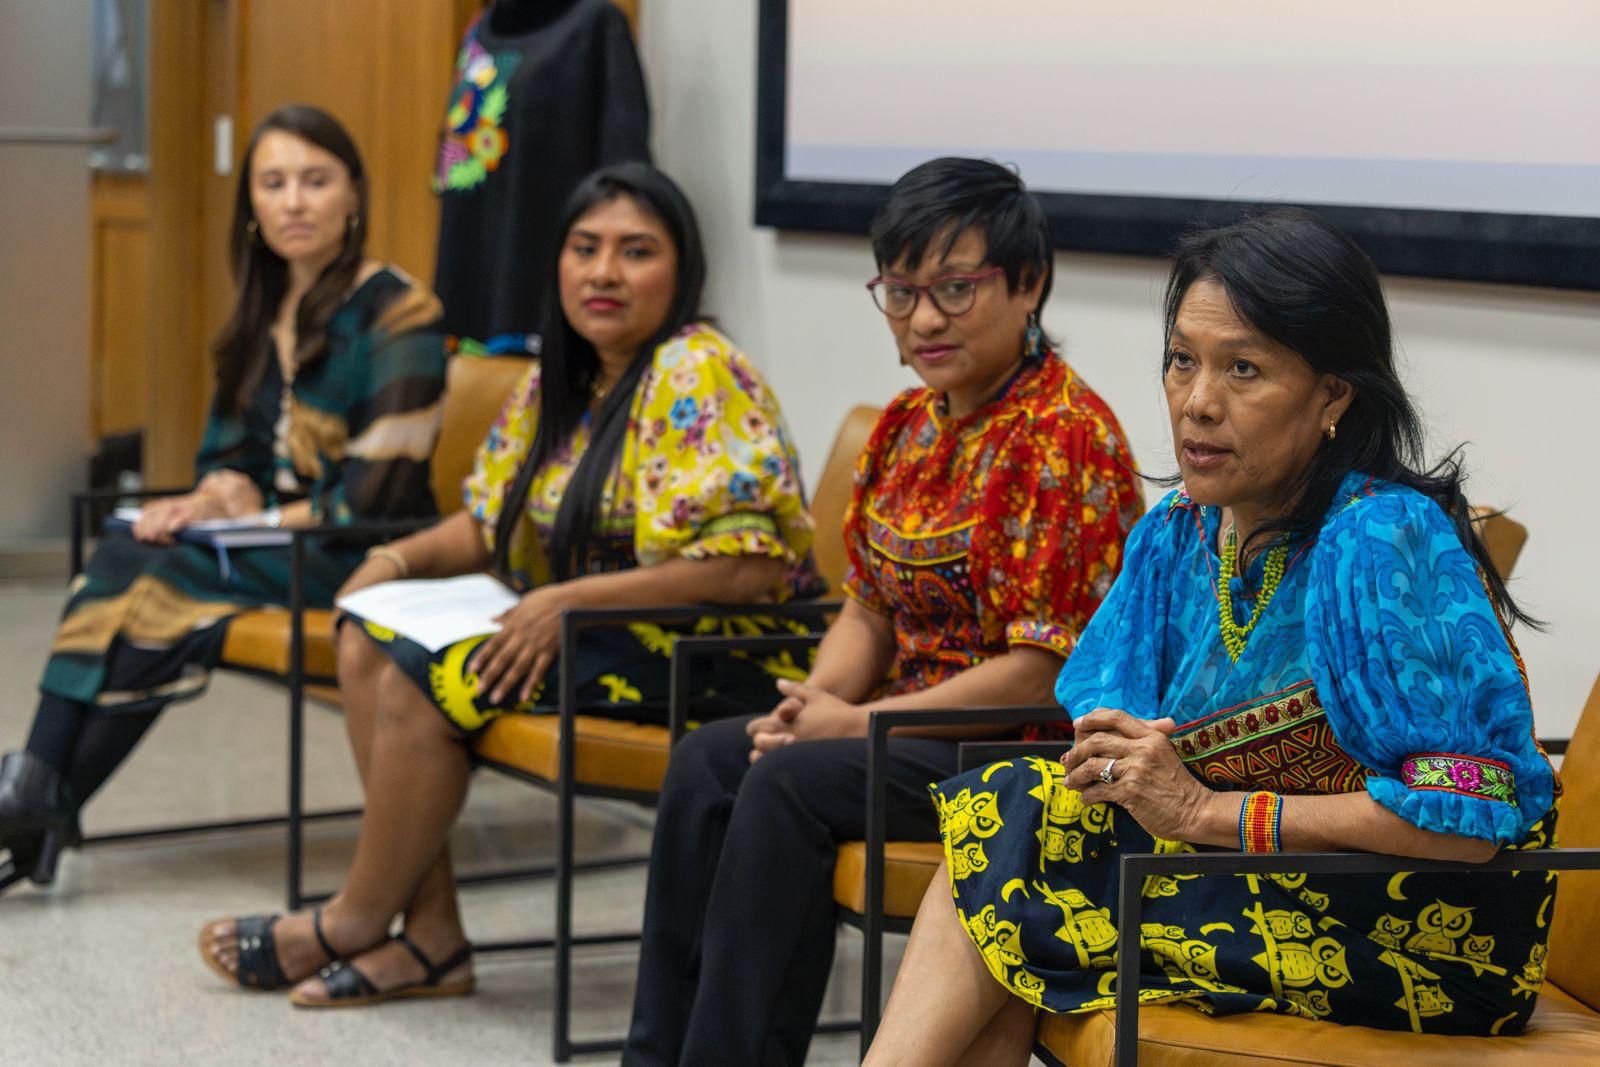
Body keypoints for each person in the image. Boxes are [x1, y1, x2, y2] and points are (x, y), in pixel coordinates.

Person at [865, 208, 1560, 1065]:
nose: (1198, 402)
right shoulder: (1180, 533)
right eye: (1182, 361)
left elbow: (1470, 822)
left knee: (1018, 850)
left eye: (1244, 369)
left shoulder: (1381, 543)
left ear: (1334, 394)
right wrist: (1125, 759)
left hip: (1415, 929)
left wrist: (1205, 808)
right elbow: (1113, 727)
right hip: (1238, 881)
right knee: (1020, 835)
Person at [197, 162, 820, 1005]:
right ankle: (430, 938)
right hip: (591, 624)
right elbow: (491, 519)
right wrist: (394, 562)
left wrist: (565, 600)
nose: (604, 272)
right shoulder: (562, 372)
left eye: (636, 252)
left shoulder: (698, 368)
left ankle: (350, 921)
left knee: (427, 685)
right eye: (585, 248)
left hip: (707, 646)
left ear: (682, 270)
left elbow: (750, 568)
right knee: (363, 637)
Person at [623, 157, 1143, 1066]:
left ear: (1029, 285)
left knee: (788, 785)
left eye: (954, 288)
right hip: (899, 724)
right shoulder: (906, 423)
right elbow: (867, 609)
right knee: (714, 758)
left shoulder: (1069, 434)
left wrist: (854, 724)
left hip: (1010, 746)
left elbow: (1042, 669)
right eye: (900, 293)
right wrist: (810, 704)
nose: (924, 319)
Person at [0, 105, 447, 893]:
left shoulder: (399, 310)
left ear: (354, 195)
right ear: (251, 207)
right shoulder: (259, 314)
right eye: (272, 184)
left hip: (364, 557)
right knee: (143, 542)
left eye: (316, 180)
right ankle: (41, 802)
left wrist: (249, 518)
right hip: (269, 545)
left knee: (153, 575)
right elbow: (229, 457)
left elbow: (372, 496)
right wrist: (209, 499)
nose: (294, 201)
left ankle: (37, 788)